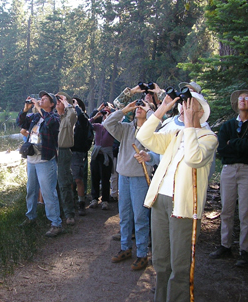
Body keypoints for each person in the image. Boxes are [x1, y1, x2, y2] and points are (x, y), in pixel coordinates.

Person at [136, 92, 218, 302]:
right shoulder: (176, 133)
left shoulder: (208, 138)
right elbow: (144, 137)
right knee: (161, 262)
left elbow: (193, 158)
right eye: (183, 104)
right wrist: (162, 108)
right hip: (160, 201)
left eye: (189, 105)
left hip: (184, 206)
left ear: (200, 111)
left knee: (180, 266)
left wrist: (190, 125)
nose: (184, 108)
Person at [103, 93, 156, 270]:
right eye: (138, 107)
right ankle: (125, 247)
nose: (139, 108)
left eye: (143, 107)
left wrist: (149, 110)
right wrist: (125, 109)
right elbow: (107, 123)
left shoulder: (152, 130)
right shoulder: (126, 128)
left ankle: (142, 254)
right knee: (124, 215)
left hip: (141, 178)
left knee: (140, 216)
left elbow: (159, 124)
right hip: (123, 176)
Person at [209, 89, 248, 267]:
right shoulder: (227, 126)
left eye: (247, 98)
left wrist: (234, 143)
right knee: (227, 209)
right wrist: (238, 146)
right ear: (236, 104)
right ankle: (225, 245)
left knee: (246, 212)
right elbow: (222, 150)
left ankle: (245, 251)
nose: (243, 100)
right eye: (240, 98)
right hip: (229, 170)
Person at [16, 91, 62, 237]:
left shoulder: (54, 117)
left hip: (45, 160)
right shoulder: (35, 117)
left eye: (44, 99)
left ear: (52, 104)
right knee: (31, 190)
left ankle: (56, 223)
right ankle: (31, 217)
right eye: (40, 99)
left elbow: (50, 123)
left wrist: (37, 107)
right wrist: (25, 109)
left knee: (48, 192)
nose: (40, 101)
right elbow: (21, 123)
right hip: (32, 159)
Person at [55, 92, 77, 225]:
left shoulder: (68, 117)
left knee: (64, 183)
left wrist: (66, 103)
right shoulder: (51, 117)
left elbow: (73, 115)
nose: (57, 101)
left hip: (63, 152)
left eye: (60, 100)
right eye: (56, 100)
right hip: (51, 152)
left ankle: (69, 214)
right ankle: (56, 212)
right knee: (53, 184)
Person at [89, 103, 114, 210]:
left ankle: (105, 200)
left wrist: (111, 117)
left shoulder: (113, 128)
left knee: (105, 177)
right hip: (96, 155)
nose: (105, 117)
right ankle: (94, 198)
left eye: (107, 115)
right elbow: (87, 125)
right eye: (104, 115)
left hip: (106, 156)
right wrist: (95, 116)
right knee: (95, 176)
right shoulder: (98, 127)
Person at [71, 97, 91, 216]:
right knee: (70, 180)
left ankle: (81, 203)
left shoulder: (83, 119)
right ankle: (71, 202)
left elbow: (83, 119)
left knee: (78, 179)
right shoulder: (68, 118)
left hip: (78, 152)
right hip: (67, 152)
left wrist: (77, 106)